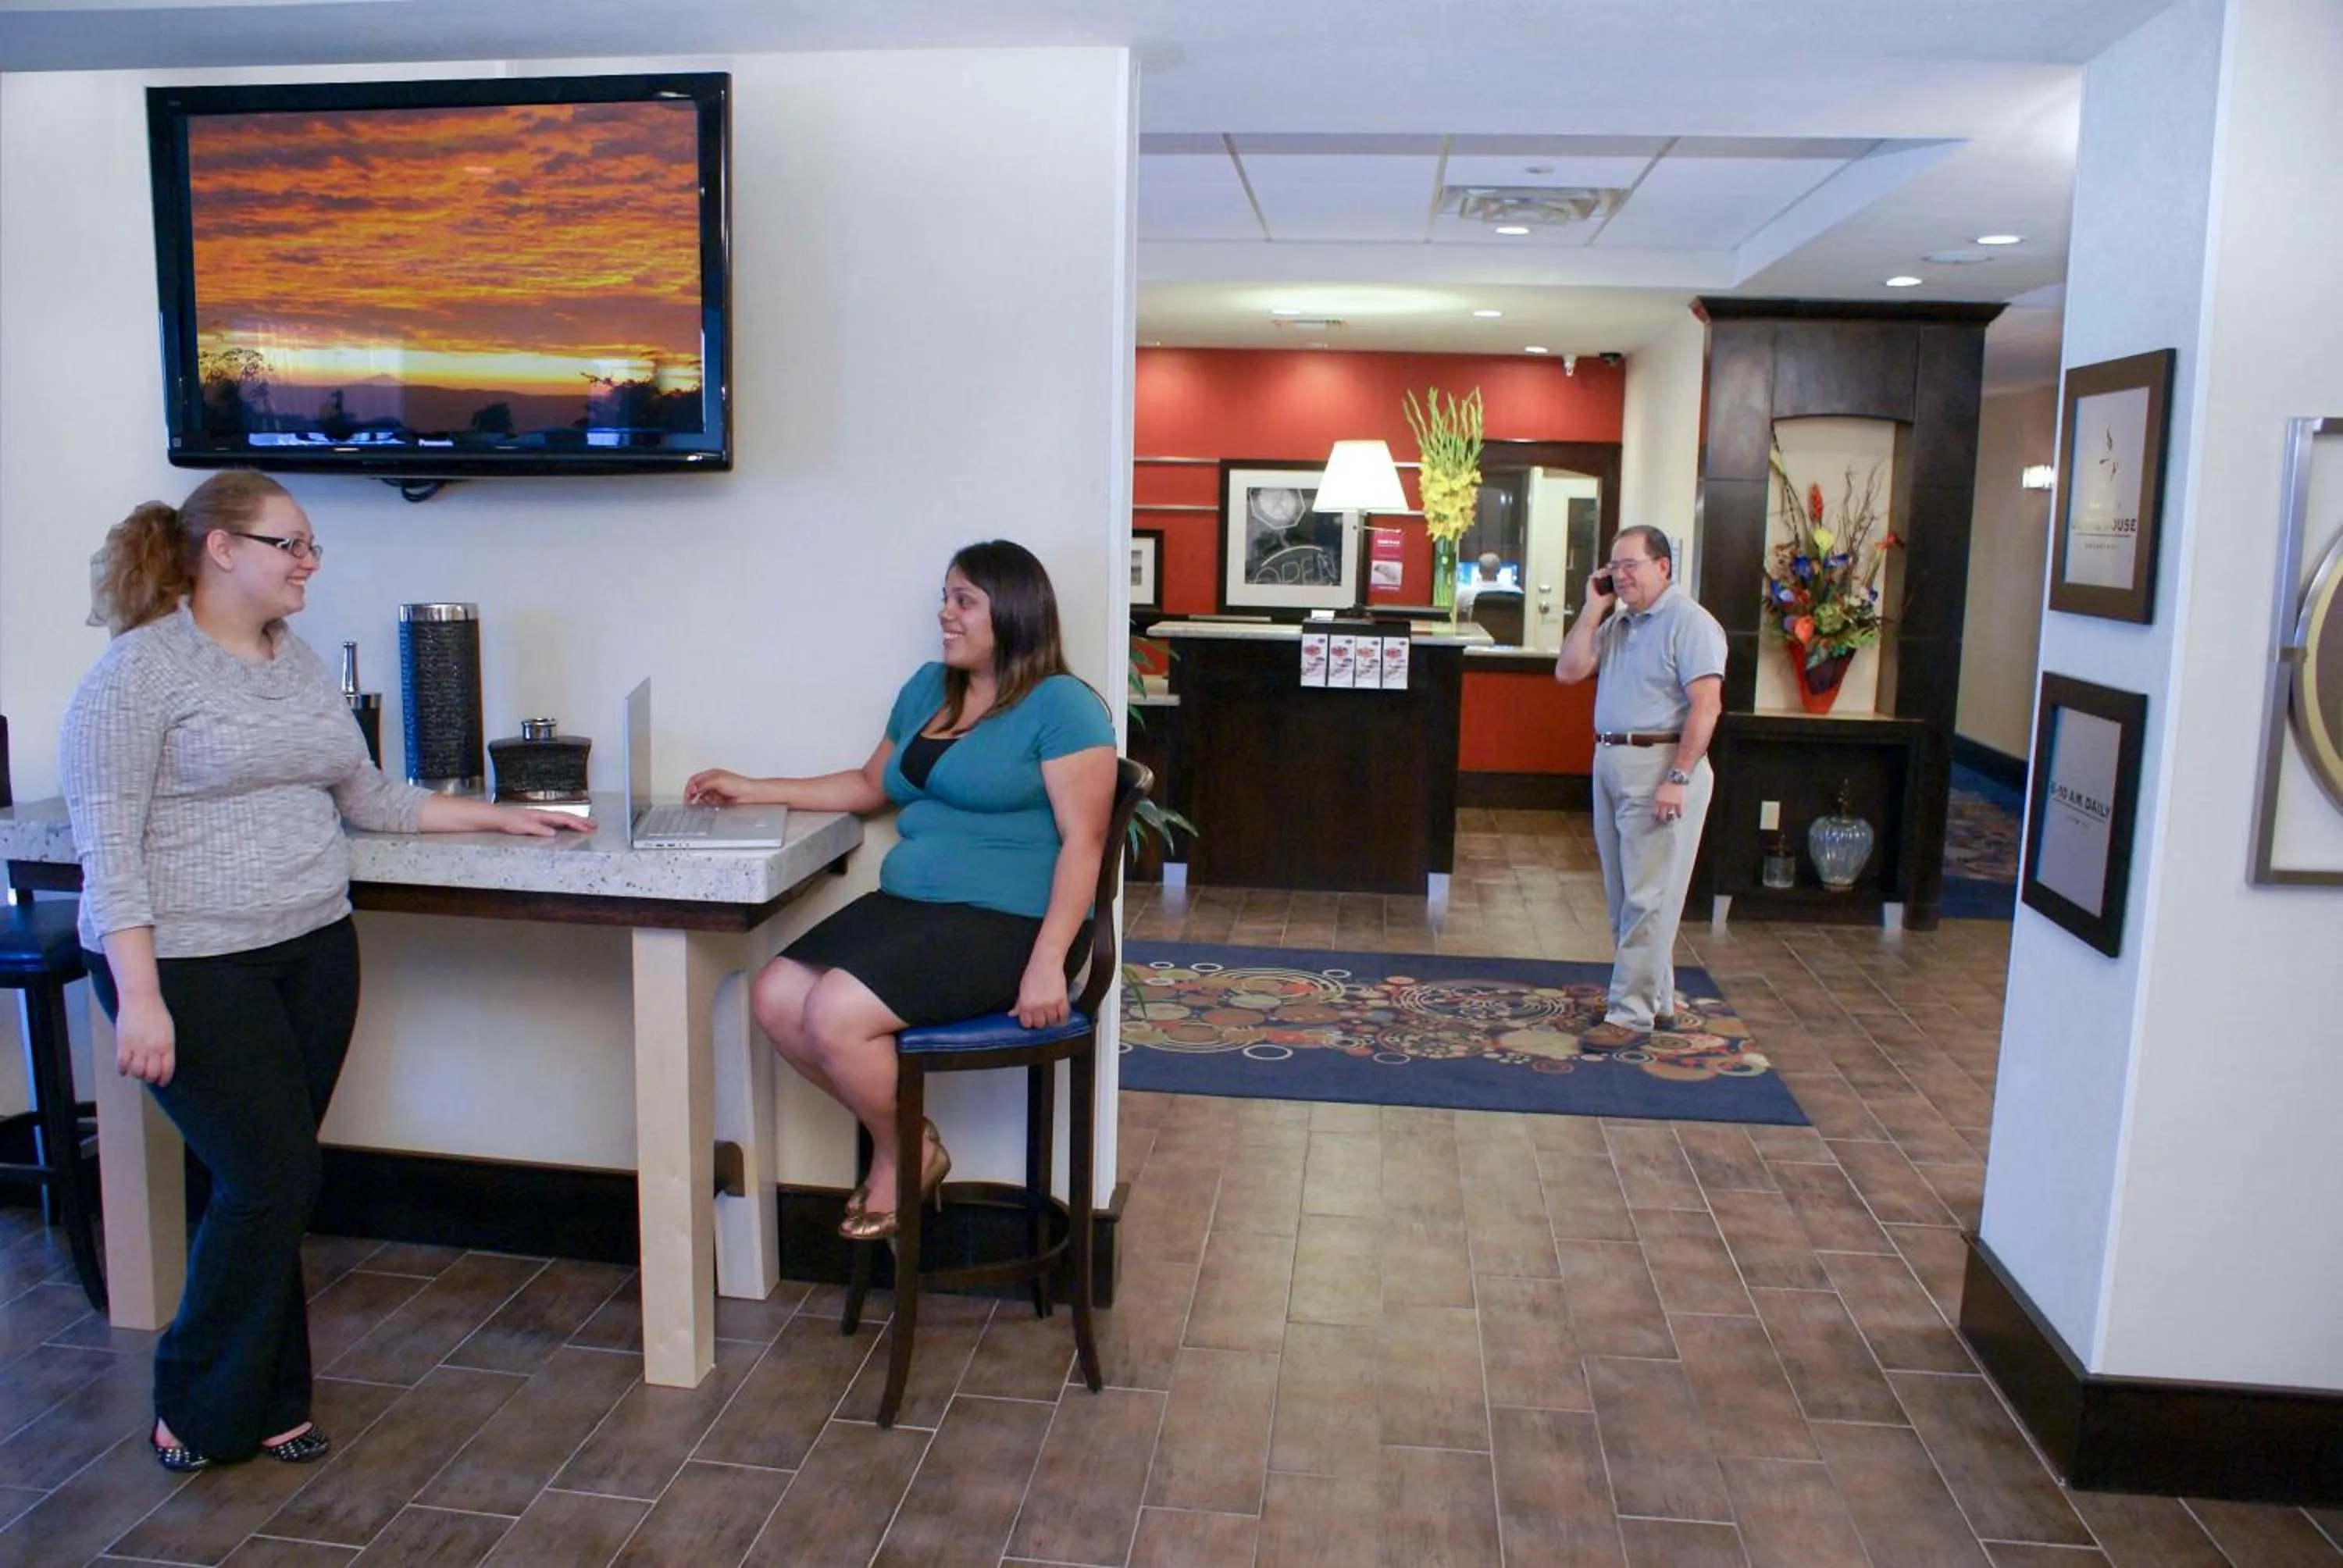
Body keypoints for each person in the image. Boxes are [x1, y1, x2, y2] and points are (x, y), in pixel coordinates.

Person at [59, 470, 594, 1474]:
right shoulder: (137, 674)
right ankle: (193, 1402)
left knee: (268, 1179)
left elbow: (371, 797)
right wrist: (140, 996)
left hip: (310, 946)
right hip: (190, 962)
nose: (309, 562)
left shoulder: (293, 660)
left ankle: (269, 1400)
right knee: (269, 1178)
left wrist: (503, 814)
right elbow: (109, 852)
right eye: (291, 544)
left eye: (311, 547)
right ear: (222, 549)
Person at [685, 540, 1115, 1240]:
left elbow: (1085, 843)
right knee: (776, 996)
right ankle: (912, 1144)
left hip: (1014, 922)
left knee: (834, 1012)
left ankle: (900, 1156)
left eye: (963, 600)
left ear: (1013, 612)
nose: (945, 614)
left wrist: (1047, 962)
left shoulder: (1063, 705)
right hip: (913, 910)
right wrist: (752, 788)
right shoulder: (928, 689)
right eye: (945, 598)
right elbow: (868, 786)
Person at [1552, 525, 1725, 1052]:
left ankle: (1629, 1014)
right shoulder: (1619, 623)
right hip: (1612, 761)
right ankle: (1657, 999)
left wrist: (1679, 777)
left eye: (1631, 565)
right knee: (1627, 895)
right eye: (1614, 566)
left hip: (1661, 766)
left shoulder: (1690, 623)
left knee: (1648, 898)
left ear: (1663, 567)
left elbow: (1707, 705)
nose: (1620, 575)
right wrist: (1593, 609)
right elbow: (1568, 671)